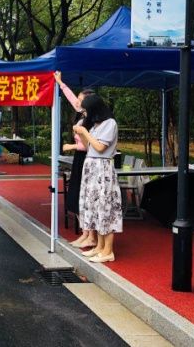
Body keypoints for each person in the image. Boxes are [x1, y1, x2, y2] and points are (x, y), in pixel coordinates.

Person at [74, 94, 122, 263]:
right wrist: (82, 133)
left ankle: (108, 250)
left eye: (86, 111)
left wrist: (85, 132)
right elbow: (89, 147)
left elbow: (100, 147)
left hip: (102, 168)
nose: (85, 114)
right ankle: (99, 247)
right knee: (95, 208)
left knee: (105, 207)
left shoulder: (110, 123)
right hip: (92, 167)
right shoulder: (96, 125)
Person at [53, 71, 96, 248]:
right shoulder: (82, 115)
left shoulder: (92, 120)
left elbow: (89, 145)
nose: (77, 102)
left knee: (84, 195)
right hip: (79, 159)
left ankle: (90, 235)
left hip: (87, 158)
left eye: (81, 100)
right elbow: (71, 98)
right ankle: (85, 233)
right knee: (78, 195)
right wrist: (60, 83)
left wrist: (71, 146)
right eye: (78, 99)